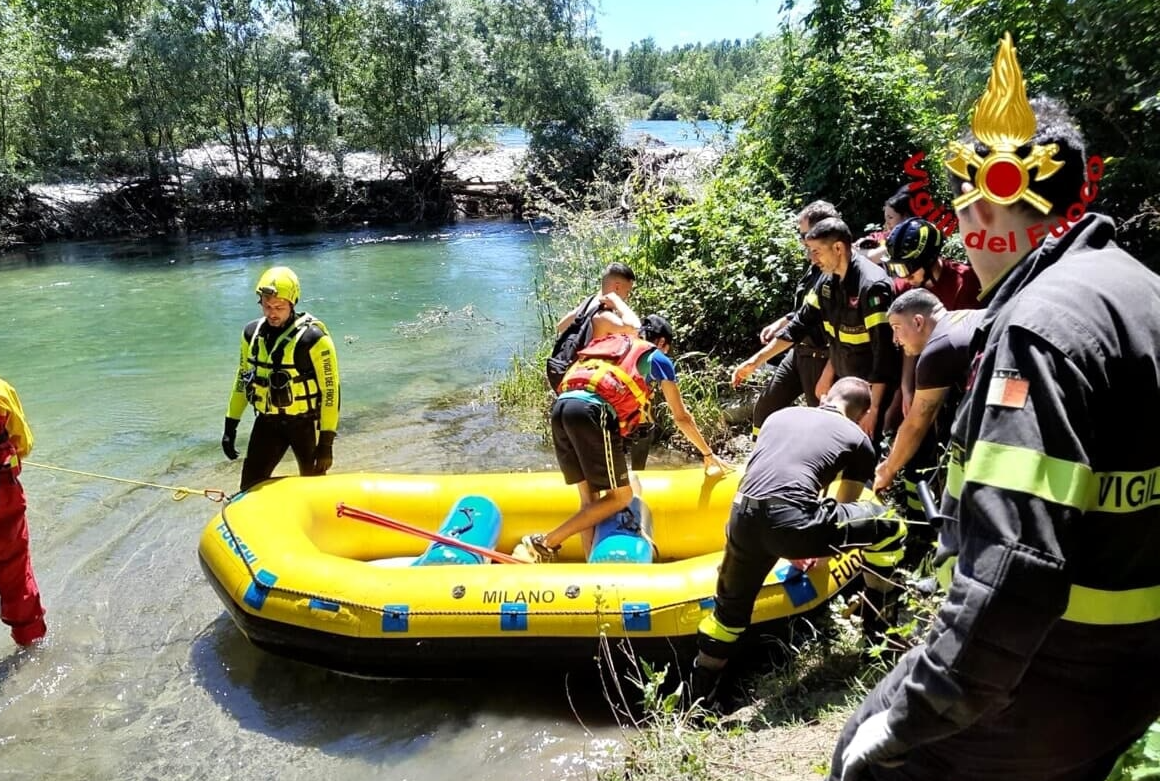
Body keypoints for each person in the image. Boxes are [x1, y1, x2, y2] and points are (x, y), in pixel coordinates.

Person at [831, 37, 1160, 781]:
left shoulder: (1040, 325)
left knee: (864, 751)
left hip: (1047, 679)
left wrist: (909, 713)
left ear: (989, 200)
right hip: (1130, 682)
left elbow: (1015, 566)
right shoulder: (1140, 289)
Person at [692, 377, 907, 702]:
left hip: (742, 519)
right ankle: (878, 643)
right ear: (863, 414)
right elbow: (843, 506)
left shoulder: (779, 417)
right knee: (889, 526)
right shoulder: (858, 438)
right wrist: (814, 549)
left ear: (824, 396)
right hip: (793, 522)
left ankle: (696, 704)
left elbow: (772, 473)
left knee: (727, 617)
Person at [514, 302, 725, 563]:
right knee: (621, 496)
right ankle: (544, 543)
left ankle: (592, 563)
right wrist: (707, 454)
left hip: (561, 408)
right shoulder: (656, 356)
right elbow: (681, 417)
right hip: (592, 412)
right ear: (661, 342)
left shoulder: (609, 345)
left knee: (590, 501)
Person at [733, 218, 899, 446]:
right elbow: (799, 324)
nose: (812, 258)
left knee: (867, 458)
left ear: (838, 248)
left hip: (871, 394)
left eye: (817, 251)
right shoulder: (826, 282)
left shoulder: (871, 286)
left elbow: (884, 354)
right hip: (845, 387)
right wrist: (754, 362)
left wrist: (874, 409)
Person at [873, 290, 984, 543]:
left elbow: (916, 422)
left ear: (919, 322)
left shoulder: (938, 348)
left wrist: (888, 469)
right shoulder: (963, 320)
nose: (895, 339)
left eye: (897, 328)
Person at [222, 266, 341, 492]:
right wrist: (231, 426)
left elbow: (331, 392)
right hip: (268, 423)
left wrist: (326, 443)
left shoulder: (313, 339)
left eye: (279, 307)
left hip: (305, 425)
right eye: (267, 306)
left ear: (292, 303)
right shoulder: (251, 334)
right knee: (248, 488)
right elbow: (242, 379)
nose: (272, 313)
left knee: (314, 490)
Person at [749, 200, 839, 437]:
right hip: (798, 352)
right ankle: (761, 460)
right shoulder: (814, 266)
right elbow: (806, 308)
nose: (802, 242)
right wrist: (782, 321)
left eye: (804, 235)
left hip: (821, 357)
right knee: (766, 408)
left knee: (821, 422)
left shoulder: (835, 272)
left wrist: (757, 360)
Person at [0, 378, 48, 647]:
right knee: (16, 573)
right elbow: (24, 444)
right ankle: (31, 646)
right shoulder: (1, 392)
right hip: (3, 498)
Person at [884, 217, 981, 310]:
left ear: (928, 260)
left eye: (908, 268)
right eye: (897, 268)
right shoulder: (900, 288)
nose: (905, 278)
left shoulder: (966, 283)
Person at [554, 262, 635, 335]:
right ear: (617, 287)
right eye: (627, 291)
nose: (627, 296)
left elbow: (561, 327)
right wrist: (618, 302)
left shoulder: (589, 303)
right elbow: (634, 328)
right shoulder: (603, 315)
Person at [861, 187, 915, 264]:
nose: (887, 223)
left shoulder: (909, 239)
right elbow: (876, 237)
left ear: (905, 217)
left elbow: (871, 257)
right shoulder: (888, 235)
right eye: (886, 218)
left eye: (890, 217)